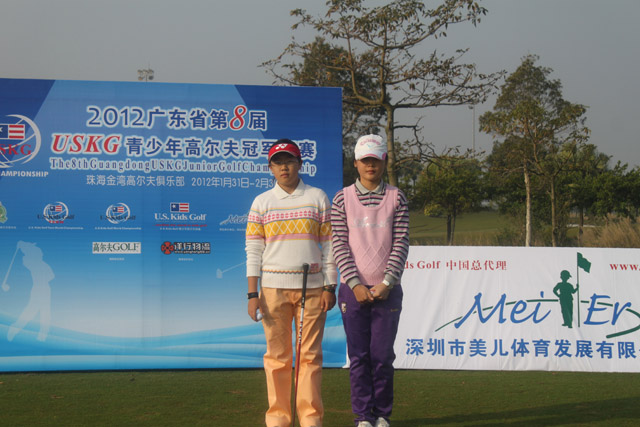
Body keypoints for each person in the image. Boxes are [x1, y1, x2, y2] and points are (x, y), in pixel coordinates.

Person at [246, 139, 338, 427]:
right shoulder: (262, 202)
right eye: (278, 163)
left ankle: (310, 418)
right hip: (272, 289)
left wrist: (330, 285)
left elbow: (330, 244)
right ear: (270, 168)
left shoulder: (317, 197)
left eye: (289, 161)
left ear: (300, 164)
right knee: (277, 357)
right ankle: (278, 418)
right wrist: (252, 293)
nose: (284, 167)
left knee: (310, 356)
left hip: (313, 289)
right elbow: (253, 250)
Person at [331, 134, 410, 427]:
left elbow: (401, 242)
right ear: (356, 163)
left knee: (382, 356)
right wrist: (355, 284)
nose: (370, 165)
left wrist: (387, 283)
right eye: (365, 160)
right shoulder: (342, 198)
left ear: (384, 161)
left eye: (375, 160)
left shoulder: (397, 197)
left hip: (387, 290)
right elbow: (339, 244)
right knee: (359, 357)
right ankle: (363, 416)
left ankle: (382, 414)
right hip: (353, 291)